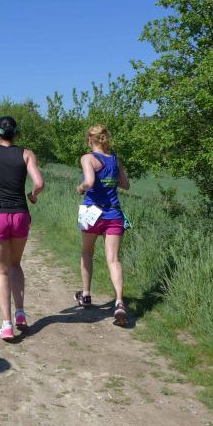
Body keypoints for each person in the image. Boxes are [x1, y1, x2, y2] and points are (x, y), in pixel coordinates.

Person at [0, 116, 44, 340]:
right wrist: (33, 196)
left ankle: (7, 325)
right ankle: (20, 314)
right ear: (16, 133)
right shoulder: (26, 154)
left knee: (1, 270)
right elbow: (39, 183)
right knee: (15, 264)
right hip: (20, 214)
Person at [75, 124, 130, 326]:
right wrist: (110, 178)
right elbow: (125, 185)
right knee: (113, 259)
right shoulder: (115, 159)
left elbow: (89, 181)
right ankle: (119, 302)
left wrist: (80, 187)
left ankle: (86, 295)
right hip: (113, 212)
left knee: (87, 253)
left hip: (92, 212)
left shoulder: (87, 158)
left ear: (90, 140)